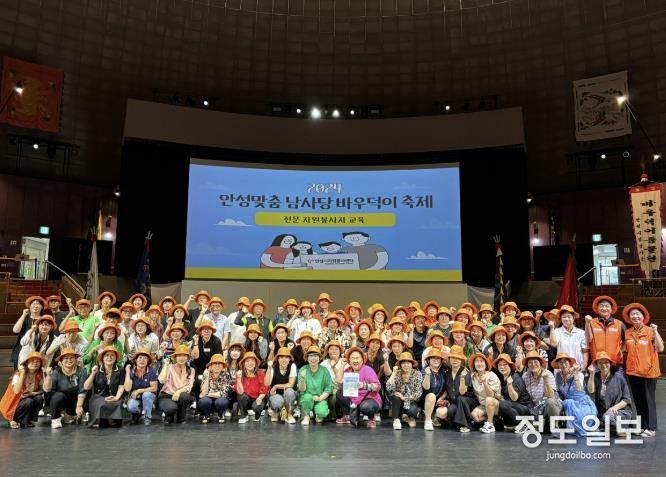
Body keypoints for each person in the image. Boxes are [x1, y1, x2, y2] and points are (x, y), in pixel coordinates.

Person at [622, 303, 663, 437]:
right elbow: (623, 349)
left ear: (643, 316)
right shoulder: (627, 332)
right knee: (638, 401)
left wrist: (656, 331)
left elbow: (660, 348)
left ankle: (651, 428)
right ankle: (641, 426)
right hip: (633, 372)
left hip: (648, 373)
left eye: (637, 314)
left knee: (648, 401)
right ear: (629, 317)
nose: (635, 316)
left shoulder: (651, 331)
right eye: (632, 314)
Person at [334, 346, 382, 429]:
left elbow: (378, 387)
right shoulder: (348, 370)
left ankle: (371, 418)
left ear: (362, 360)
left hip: (368, 398)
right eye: (352, 358)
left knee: (365, 407)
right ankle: (347, 415)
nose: (355, 361)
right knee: (339, 393)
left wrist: (364, 385)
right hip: (354, 398)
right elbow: (338, 380)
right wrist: (342, 365)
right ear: (349, 361)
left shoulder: (368, 370)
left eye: (357, 358)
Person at [586, 351, 633, 433]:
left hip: (620, 411)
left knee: (607, 417)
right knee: (590, 421)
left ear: (610, 364)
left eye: (606, 362)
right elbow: (590, 391)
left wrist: (614, 408)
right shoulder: (595, 377)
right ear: (597, 365)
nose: (603, 365)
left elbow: (626, 399)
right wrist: (592, 374)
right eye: (600, 363)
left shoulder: (619, 378)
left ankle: (622, 430)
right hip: (603, 412)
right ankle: (610, 428)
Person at [553, 351, 597, 437]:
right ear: (558, 365)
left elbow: (579, 389)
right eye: (561, 362)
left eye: (565, 362)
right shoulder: (558, 375)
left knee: (568, 402)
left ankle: (577, 427)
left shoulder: (578, 374)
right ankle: (571, 427)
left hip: (582, 403)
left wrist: (576, 375)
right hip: (568, 403)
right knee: (567, 402)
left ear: (569, 363)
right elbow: (558, 391)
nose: (563, 364)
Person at [43, 348, 87, 429]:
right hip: (60, 400)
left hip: (75, 399)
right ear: (61, 362)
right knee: (58, 396)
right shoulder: (56, 372)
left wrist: (79, 406)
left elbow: (82, 390)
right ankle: (55, 418)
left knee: (88, 392)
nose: (69, 360)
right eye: (66, 358)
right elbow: (47, 389)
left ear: (76, 359)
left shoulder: (82, 371)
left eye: (72, 358)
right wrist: (48, 376)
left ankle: (72, 414)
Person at [84, 345, 125, 428]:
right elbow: (86, 387)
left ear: (115, 358)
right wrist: (93, 374)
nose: (109, 357)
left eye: (112, 355)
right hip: (98, 396)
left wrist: (116, 397)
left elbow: (121, 387)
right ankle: (100, 421)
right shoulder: (96, 369)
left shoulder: (120, 370)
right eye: (107, 355)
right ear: (102, 358)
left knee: (116, 404)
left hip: (114, 396)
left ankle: (110, 421)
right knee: (102, 404)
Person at [1, 352, 45, 428]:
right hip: (12, 403)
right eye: (32, 361)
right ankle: (14, 419)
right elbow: (16, 391)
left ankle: (26, 421)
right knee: (28, 401)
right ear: (26, 363)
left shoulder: (39, 375)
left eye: (38, 361)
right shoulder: (17, 374)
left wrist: (33, 394)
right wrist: (22, 373)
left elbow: (43, 390)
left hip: (26, 400)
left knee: (39, 398)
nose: (35, 363)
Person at [522, 350, 562, 432]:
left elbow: (551, 395)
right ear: (527, 365)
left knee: (550, 401)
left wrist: (546, 380)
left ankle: (555, 427)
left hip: (551, 405)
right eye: (530, 363)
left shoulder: (548, 374)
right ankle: (544, 423)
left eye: (535, 362)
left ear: (540, 363)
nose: (533, 364)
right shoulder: (525, 376)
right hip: (536, 408)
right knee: (537, 429)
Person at [495, 353, 534, 432]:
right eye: (500, 365)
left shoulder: (515, 377)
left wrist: (509, 385)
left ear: (510, 366)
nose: (502, 367)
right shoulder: (503, 379)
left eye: (505, 364)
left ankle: (524, 425)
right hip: (516, 408)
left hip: (525, 408)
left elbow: (514, 398)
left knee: (503, 404)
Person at [158, 344, 195, 424]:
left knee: (185, 396)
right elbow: (161, 380)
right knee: (171, 408)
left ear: (187, 358)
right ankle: (169, 416)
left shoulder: (191, 370)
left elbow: (189, 387)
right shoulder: (169, 367)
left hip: (180, 394)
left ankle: (181, 417)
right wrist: (166, 365)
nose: (182, 358)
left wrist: (178, 392)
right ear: (175, 357)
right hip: (167, 395)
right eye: (179, 355)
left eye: (184, 355)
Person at [297, 345, 334, 425]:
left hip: (320, 398)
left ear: (319, 358)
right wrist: (303, 379)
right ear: (307, 358)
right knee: (307, 398)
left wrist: (320, 398)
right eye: (311, 356)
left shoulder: (324, 370)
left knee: (322, 413)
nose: (313, 358)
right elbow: (302, 389)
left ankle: (317, 413)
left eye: (316, 356)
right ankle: (307, 415)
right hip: (307, 398)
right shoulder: (303, 369)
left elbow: (329, 388)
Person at [386, 351, 423, 430]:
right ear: (400, 365)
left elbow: (418, 393)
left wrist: (404, 398)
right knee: (395, 396)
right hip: (398, 401)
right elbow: (389, 388)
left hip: (411, 400)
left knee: (412, 410)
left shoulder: (417, 374)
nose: (406, 365)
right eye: (403, 363)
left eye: (408, 363)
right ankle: (396, 419)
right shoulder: (397, 373)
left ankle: (410, 417)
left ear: (412, 364)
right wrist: (393, 373)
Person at [584, 295, 624, 368]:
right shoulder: (591, 322)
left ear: (611, 309)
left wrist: (620, 352)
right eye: (601, 306)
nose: (604, 308)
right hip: (597, 362)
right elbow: (588, 339)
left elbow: (625, 342)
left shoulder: (619, 324)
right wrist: (587, 323)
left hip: (615, 362)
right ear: (597, 308)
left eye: (607, 306)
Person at [547, 305, 588, 371]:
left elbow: (585, 351)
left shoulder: (581, 333)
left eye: (569, 317)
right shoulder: (557, 331)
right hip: (561, 369)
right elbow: (554, 344)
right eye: (564, 317)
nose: (566, 319)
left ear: (573, 318)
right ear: (561, 319)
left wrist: (584, 364)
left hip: (577, 368)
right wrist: (552, 328)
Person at [468, 353, 501, 433]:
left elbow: (491, 395)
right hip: (483, 405)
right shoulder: (473, 376)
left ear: (486, 364)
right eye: (477, 361)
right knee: (474, 416)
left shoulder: (491, 375)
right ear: (474, 364)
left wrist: (484, 382)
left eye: (481, 361)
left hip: (495, 404)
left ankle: (490, 425)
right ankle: (495, 419)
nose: (479, 364)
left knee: (488, 399)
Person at [123, 348, 158, 425]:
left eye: (145, 358)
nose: (142, 360)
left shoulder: (151, 371)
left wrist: (139, 391)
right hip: (137, 397)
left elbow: (154, 388)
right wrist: (128, 372)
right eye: (140, 358)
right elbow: (127, 389)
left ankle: (147, 417)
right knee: (131, 406)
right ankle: (136, 415)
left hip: (149, 397)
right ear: (135, 360)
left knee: (146, 394)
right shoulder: (132, 372)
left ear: (148, 361)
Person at [11, 296, 47, 369]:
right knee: (20, 372)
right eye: (33, 304)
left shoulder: (45, 320)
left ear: (42, 307)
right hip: (21, 348)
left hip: (38, 349)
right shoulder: (24, 318)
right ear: (29, 306)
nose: (35, 306)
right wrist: (24, 315)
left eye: (38, 304)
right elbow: (15, 330)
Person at [264, 347, 298, 424]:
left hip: (288, 394)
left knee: (289, 391)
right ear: (278, 359)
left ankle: (289, 414)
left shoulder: (292, 366)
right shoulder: (273, 367)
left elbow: (291, 384)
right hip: (276, 394)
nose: (284, 359)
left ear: (289, 359)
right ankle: (276, 412)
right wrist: (269, 369)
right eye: (281, 357)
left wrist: (276, 386)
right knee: (277, 401)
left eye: (286, 357)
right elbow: (267, 383)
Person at [198, 353, 234, 424]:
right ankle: (207, 415)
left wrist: (207, 394)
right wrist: (207, 375)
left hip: (220, 399)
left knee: (222, 402)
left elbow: (222, 393)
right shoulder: (206, 374)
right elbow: (203, 391)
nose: (217, 365)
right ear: (211, 365)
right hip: (209, 400)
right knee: (203, 401)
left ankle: (220, 415)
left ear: (223, 366)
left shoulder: (226, 374)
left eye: (219, 363)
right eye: (215, 363)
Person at [235, 351, 269, 423]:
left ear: (255, 363)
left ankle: (257, 415)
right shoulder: (240, 375)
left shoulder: (261, 374)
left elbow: (264, 389)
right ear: (244, 364)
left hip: (258, 398)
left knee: (257, 406)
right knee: (241, 397)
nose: (250, 363)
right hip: (247, 399)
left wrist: (259, 398)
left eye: (252, 361)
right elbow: (240, 392)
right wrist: (239, 379)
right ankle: (244, 416)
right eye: (247, 361)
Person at [422, 347, 447, 431]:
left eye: (438, 358)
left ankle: (435, 416)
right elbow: (426, 387)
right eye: (433, 358)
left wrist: (441, 398)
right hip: (425, 400)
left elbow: (446, 388)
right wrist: (427, 375)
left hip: (439, 399)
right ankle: (428, 420)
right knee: (431, 396)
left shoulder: (443, 371)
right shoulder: (425, 370)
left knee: (443, 413)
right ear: (428, 360)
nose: (436, 360)